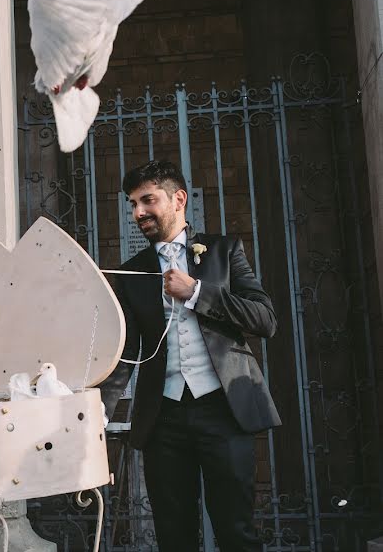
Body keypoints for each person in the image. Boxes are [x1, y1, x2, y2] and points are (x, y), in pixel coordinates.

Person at [99, 160, 279, 552]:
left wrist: (198, 292)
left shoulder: (224, 251)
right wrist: (96, 416)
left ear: (178, 199)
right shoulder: (131, 271)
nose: (138, 213)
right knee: (173, 534)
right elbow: (125, 353)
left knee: (236, 530)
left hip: (225, 410)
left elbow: (265, 319)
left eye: (147, 200)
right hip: (164, 418)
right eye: (132, 204)